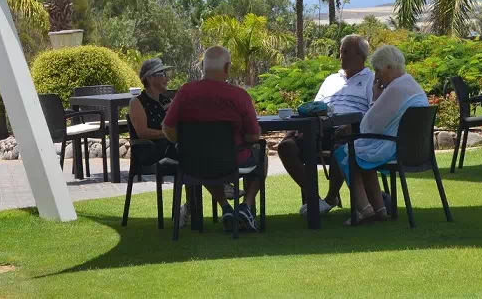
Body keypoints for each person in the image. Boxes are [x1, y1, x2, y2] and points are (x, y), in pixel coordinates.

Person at [162, 46, 263, 232]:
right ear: (227, 67)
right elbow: (253, 135)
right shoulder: (239, 95)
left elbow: (167, 127)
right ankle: (246, 207)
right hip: (231, 161)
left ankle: (226, 208)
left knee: (205, 159)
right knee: (260, 158)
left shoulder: (185, 92)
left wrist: (184, 144)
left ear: (203, 65)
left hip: (193, 161)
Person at [277, 34, 374, 218]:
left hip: (348, 132)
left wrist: (354, 126)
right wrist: (300, 125)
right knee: (286, 146)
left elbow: (372, 113)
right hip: (320, 129)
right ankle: (314, 197)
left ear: (360, 55)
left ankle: (330, 198)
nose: (341, 56)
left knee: (341, 143)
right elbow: (314, 107)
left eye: (346, 52)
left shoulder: (370, 80)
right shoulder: (331, 80)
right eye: (340, 52)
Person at [333, 44, 427, 225]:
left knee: (346, 151)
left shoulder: (396, 89)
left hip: (397, 150)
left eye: (378, 70)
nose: (376, 75)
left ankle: (365, 209)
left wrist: (375, 97)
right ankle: (380, 210)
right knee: (363, 149)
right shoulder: (411, 85)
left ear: (389, 68)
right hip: (415, 150)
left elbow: (369, 125)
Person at [127, 58, 177, 163]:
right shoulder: (137, 102)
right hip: (151, 152)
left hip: (169, 148)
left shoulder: (167, 100)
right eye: (163, 74)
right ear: (150, 78)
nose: (166, 78)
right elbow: (143, 133)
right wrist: (168, 134)